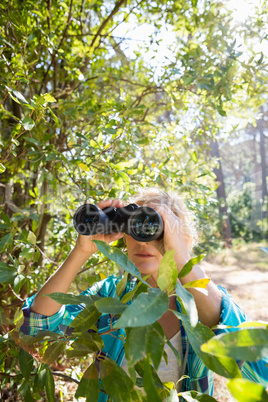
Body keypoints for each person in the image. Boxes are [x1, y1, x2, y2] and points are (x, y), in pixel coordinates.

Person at [20, 187, 268, 401]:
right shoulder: (109, 295)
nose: (144, 241)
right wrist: (81, 251)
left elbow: (257, 370)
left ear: (182, 239)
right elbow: (35, 331)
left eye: (154, 227)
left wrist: (181, 258)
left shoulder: (201, 301)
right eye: (135, 226)